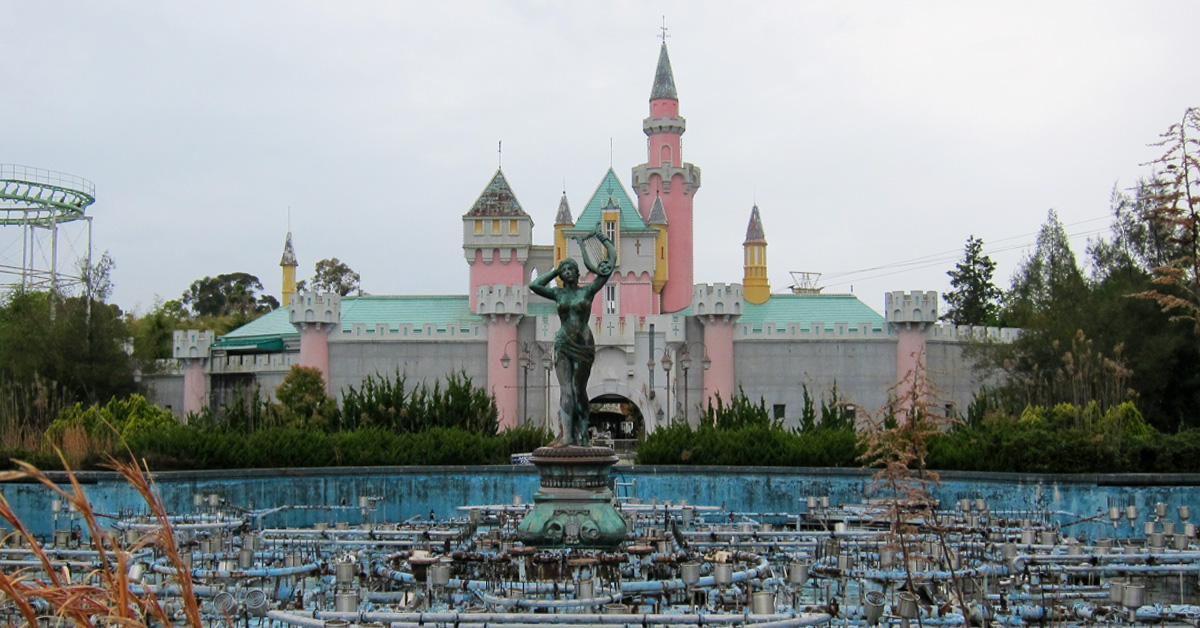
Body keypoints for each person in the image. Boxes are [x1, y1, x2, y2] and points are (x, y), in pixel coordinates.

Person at [529, 230, 616, 447]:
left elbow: (608, 269)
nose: (567, 271)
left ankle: (583, 434)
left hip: (584, 344)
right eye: (564, 269)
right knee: (565, 389)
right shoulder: (558, 294)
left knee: (579, 390)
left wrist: (605, 240)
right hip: (563, 343)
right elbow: (534, 285)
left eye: (571, 268)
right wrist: (554, 271)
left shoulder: (586, 292)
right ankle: (567, 435)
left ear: (578, 274)